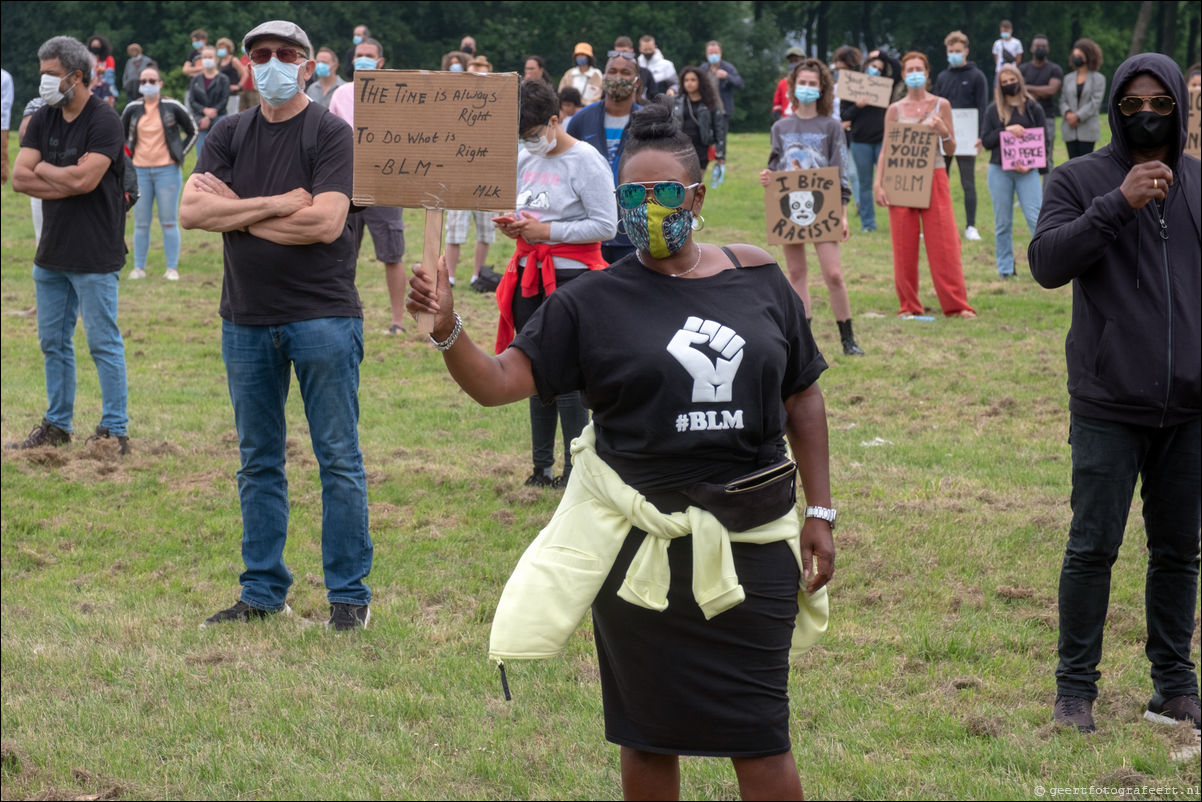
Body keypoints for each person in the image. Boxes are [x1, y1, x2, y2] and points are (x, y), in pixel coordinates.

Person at [407, 100, 835, 801]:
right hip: (639, 552)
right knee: (647, 737)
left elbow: (803, 396)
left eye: (663, 194)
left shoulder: (758, 277)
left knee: (761, 738)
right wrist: (449, 328)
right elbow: (500, 384)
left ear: (696, 196)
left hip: (754, 541)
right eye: (631, 195)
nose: (647, 209)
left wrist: (821, 509)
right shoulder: (592, 301)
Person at [179, 19, 373, 631]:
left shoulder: (332, 134)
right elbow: (189, 211)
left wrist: (232, 214)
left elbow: (324, 224)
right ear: (246, 65)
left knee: (337, 459)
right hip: (246, 319)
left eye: (285, 54)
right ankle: (263, 594)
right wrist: (276, 203)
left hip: (323, 317)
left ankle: (349, 598)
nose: (272, 64)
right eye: (260, 54)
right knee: (258, 460)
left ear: (308, 66)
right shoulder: (230, 132)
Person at [1029, 52, 1200, 735]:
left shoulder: (1197, 184)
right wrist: (1117, 204)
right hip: (1107, 400)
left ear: (1180, 109)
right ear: (1115, 109)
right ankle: (1075, 693)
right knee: (1093, 546)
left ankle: (1174, 687)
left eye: (1160, 100)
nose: (1148, 112)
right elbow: (1046, 263)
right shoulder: (1078, 180)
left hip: (1189, 406)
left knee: (1179, 550)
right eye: (1133, 103)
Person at [10, 35, 130, 454]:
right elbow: (19, 179)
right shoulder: (44, 117)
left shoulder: (104, 120)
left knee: (103, 342)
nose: (43, 82)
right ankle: (57, 425)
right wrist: (60, 175)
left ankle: (115, 429)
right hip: (52, 253)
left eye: (50, 75)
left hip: (95, 253)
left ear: (76, 77)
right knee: (52, 342)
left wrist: (45, 168)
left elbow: (86, 181)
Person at [493, 78, 615, 486]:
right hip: (530, 276)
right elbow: (525, 210)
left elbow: (606, 225)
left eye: (532, 135)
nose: (528, 143)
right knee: (530, 369)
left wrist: (549, 233)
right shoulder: (524, 159)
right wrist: (515, 227)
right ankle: (540, 467)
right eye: (521, 137)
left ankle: (575, 469)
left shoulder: (587, 161)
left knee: (566, 377)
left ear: (555, 119)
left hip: (574, 279)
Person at [760, 59, 864, 356]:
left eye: (812, 83)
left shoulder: (832, 126)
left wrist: (843, 214)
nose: (807, 88)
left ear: (822, 89)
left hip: (825, 206)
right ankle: (803, 342)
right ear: (793, 87)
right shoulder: (780, 127)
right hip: (788, 207)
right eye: (802, 83)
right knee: (796, 272)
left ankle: (848, 338)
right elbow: (774, 166)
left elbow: (840, 171)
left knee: (833, 274)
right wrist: (767, 177)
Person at [874, 51, 977, 319]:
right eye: (910, 69)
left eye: (920, 68)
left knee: (944, 244)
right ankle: (908, 305)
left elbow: (952, 147)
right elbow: (885, 149)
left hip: (934, 175)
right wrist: (878, 183)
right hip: (900, 179)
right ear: (903, 74)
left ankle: (956, 305)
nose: (915, 73)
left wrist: (943, 131)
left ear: (927, 73)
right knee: (903, 245)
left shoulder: (941, 105)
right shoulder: (894, 110)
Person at [328, 37, 408, 333]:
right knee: (341, 252)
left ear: (380, 62)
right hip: (347, 181)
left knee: (391, 252)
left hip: (385, 182)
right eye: (359, 55)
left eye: (368, 55)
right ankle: (342, 314)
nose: (362, 59)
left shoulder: (397, 94)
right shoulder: (341, 93)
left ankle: (397, 320)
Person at [566, 49, 643, 262]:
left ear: (636, 81)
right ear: (603, 77)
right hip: (587, 232)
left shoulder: (649, 122)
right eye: (613, 71)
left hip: (634, 233)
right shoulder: (581, 121)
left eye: (626, 72)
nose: (618, 77)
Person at [121, 65, 197, 281]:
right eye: (144, 81)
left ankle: (171, 268)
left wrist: (179, 154)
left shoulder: (172, 106)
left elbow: (193, 129)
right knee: (141, 222)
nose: (147, 84)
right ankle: (139, 268)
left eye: (152, 81)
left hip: (167, 171)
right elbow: (121, 134)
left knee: (169, 220)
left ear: (160, 84)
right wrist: (127, 160)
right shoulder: (132, 108)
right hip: (139, 172)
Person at [981, 64, 1044, 280]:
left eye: (1012, 80)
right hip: (999, 170)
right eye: (1004, 82)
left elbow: (1044, 140)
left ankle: (1045, 265)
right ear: (999, 86)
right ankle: (1005, 269)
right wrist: (1005, 131)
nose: (1009, 85)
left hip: (1028, 170)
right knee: (1002, 223)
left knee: (1036, 218)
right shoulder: (993, 110)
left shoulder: (1033, 108)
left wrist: (1033, 165)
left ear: (1019, 80)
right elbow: (986, 140)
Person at [934, 31, 989, 242]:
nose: (955, 54)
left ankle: (971, 226)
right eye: (951, 51)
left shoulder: (977, 76)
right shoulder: (942, 77)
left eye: (958, 51)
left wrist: (981, 135)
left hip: (967, 140)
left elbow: (983, 107)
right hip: (945, 137)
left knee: (968, 183)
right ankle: (941, 223)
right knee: (940, 181)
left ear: (966, 51)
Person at [840, 51, 889, 232]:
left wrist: (882, 55)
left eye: (879, 68)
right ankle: (867, 223)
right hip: (860, 142)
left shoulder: (884, 88)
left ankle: (897, 219)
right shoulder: (852, 87)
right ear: (866, 65)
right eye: (873, 66)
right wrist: (857, 106)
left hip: (882, 141)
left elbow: (898, 68)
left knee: (890, 182)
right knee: (865, 183)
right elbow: (844, 115)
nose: (875, 70)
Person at [1019, 34, 1063, 181]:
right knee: (1024, 158)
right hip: (1025, 118)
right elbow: (1018, 91)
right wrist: (1039, 91)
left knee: (1046, 157)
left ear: (1048, 49)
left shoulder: (1054, 69)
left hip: (1047, 118)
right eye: (1038, 46)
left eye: (1043, 46)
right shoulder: (1023, 68)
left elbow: (1051, 90)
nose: (1040, 49)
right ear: (1031, 48)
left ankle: (1048, 197)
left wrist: (1027, 88)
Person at [672, 66, 726, 179]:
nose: (689, 83)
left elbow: (719, 129)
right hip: (680, 148)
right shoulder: (677, 102)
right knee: (680, 181)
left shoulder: (710, 103)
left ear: (700, 82)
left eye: (693, 80)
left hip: (702, 148)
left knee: (696, 183)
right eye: (686, 80)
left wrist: (720, 154)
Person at [1060, 39, 1105, 159]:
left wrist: (1078, 116)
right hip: (1069, 129)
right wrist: (1068, 113)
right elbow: (1063, 99)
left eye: (1079, 55)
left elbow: (1095, 102)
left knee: (1085, 164)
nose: (1076, 58)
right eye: (1074, 56)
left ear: (1088, 56)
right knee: (1072, 164)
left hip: (1088, 129)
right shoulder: (1068, 78)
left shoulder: (1098, 78)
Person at [188, 45, 230, 154]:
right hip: (200, 119)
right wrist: (204, 111)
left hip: (218, 117)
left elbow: (224, 99)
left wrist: (212, 112)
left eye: (210, 57)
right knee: (201, 153)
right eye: (205, 57)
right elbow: (192, 101)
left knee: (220, 151)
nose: (207, 60)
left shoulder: (223, 79)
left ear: (216, 59)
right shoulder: (195, 80)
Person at [698, 40, 744, 117]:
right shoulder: (703, 68)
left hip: (723, 110)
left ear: (721, 54)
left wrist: (727, 76)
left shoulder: (728, 68)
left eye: (716, 53)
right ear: (706, 55)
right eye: (711, 53)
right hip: (705, 109)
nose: (713, 55)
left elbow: (740, 84)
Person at [612, 36, 655, 104]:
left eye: (624, 52)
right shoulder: (610, 74)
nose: (620, 56)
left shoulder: (645, 73)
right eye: (617, 53)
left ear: (631, 51)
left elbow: (654, 97)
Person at [772, 47, 805, 121]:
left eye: (796, 60)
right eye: (791, 61)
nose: (793, 64)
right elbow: (777, 106)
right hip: (786, 122)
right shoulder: (782, 83)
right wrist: (781, 121)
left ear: (803, 61)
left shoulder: (810, 83)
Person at [216, 37, 247, 116]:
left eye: (223, 48)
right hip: (222, 93)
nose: (221, 50)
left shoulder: (234, 60)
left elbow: (244, 74)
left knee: (232, 114)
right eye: (219, 48)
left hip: (232, 93)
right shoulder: (219, 61)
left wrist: (238, 86)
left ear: (228, 48)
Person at [86, 34, 117, 107]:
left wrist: (103, 71)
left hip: (105, 88)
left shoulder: (109, 59)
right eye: (93, 45)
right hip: (90, 87)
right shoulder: (87, 59)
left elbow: (110, 74)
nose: (95, 47)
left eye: (97, 45)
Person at [1, 67, 11, 185]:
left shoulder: (5, 77)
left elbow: (6, 103)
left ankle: (2, 179)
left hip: (1, 124)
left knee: (1, 152)